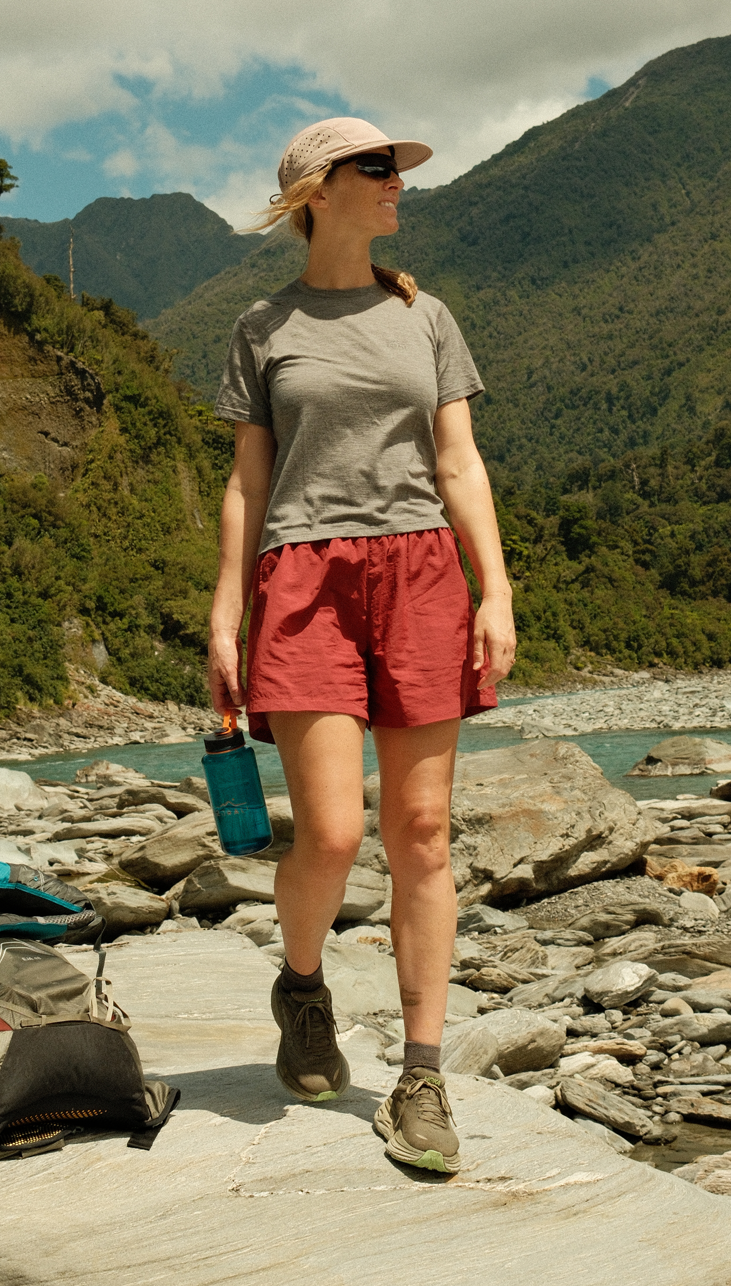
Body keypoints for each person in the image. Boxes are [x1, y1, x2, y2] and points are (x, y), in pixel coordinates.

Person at [207, 116, 517, 1174]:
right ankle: (303, 989)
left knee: (422, 830)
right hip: (303, 580)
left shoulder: (425, 317)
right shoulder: (262, 328)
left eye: (397, 168)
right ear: (317, 193)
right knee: (333, 834)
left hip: (422, 572)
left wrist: (494, 590)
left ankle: (422, 1076)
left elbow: (459, 462)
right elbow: (248, 480)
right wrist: (225, 613)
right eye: (377, 169)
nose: (398, 184)